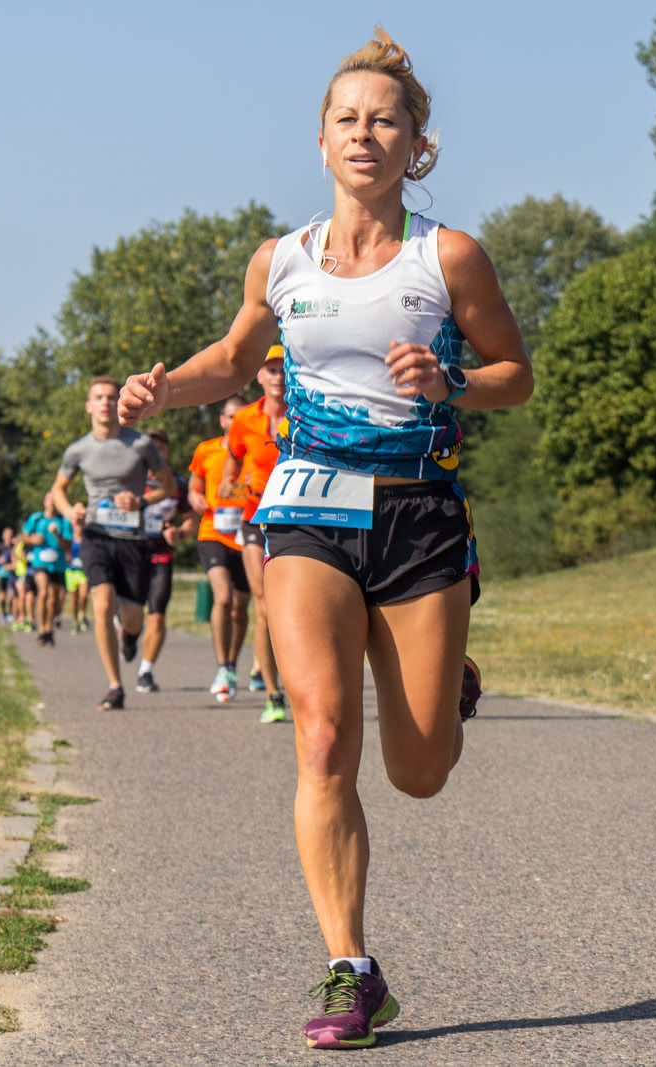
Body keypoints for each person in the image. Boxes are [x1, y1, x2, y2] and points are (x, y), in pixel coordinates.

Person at [118, 28, 531, 1050]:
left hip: (420, 513)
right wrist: (162, 387)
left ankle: (444, 671)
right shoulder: (284, 259)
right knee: (321, 739)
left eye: (384, 119)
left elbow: (515, 372)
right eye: (346, 118)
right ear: (320, 140)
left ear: (414, 144)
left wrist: (455, 383)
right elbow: (231, 356)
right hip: (306, 508)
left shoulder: (450, 258)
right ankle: (352, 965)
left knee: (420, 768)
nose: (365, 133)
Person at [47, 376, 172, 711]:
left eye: (110, 397)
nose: (104, 402)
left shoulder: (141, 444)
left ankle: (129, 636)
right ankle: (115, 686)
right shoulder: (78, 450)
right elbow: (58, 489)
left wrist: (142, 502)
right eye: (98, 397)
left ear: (118, 404)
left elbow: (169, 487)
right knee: (101, 605)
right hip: (95, 536)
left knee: (133, 616)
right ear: (88, 405)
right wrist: (68, 509)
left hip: (132, 539)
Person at [222, 345, 290, 722]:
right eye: (270, 369)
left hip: (296, 516)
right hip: (253, 518)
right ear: (259, 376)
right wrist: (235, 485)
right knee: (262, 603)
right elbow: (230, 469)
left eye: (283, 368)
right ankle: (273, 693)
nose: (278, 376)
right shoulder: (244, 420)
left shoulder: (304, 413)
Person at [189, 396, 253, 703]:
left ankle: (233, 663)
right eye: (230, 417)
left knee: (241, 608)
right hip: (213, 531)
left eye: (240, 416)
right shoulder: (207, 450)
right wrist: (195, 497)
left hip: (247, 535)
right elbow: (194, 485)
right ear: (222, 420)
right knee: (223, 597)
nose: (234, 422)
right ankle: (222, 667)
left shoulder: (257, 447)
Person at [133, 428, 195, 693]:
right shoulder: (128, 480)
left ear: (167, 452)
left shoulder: (178, 484)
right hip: (131, 555)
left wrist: (180, 533)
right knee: (132, 617)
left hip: (160, 555)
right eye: (151, 448)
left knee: (157, 615)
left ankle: (146, 670)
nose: (156, 452)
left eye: (161, 447)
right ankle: (127, 633)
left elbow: (192, 519)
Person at [22, 498, 74, 646]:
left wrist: (57, 534)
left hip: (58, 565)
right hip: (40, 562)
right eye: (49, 499)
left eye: (54, 500)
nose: (51, 502)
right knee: (43, 593)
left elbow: (68, 546)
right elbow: (23, 537)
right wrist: (33, 540)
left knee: (53, 599)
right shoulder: (36, 518)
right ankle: (41, 629)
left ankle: (49, 629)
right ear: (44, 502)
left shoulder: (63, 521)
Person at [0, 528, 17, 625]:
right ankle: (3, 614)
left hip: (13, 573)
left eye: (10, 535)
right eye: (6, 535)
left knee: (11, 594)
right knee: (3, 594)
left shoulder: (14, 546)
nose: (8, 537)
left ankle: (10, 613)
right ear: (3, 536)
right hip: (3, 573)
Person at [65, 536, 88, 633]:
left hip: (83, 572)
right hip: (71, 571)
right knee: (73, 600)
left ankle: (82, 615)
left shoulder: (86, 537)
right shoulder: (68, 537)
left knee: (84, 595)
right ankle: (75, 622)